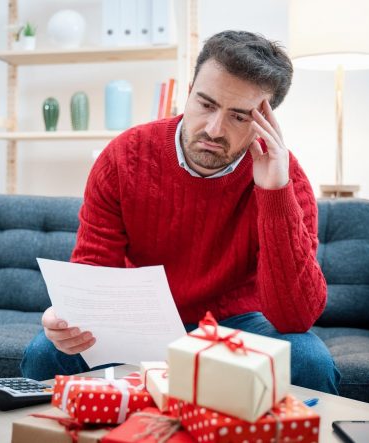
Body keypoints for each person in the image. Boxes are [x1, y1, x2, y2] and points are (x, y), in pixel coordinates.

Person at [21, 30, 340, 394]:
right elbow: (95, 268)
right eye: (206, 104)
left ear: (266, 122)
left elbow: (295, 317)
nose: (214, 129)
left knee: (310, 361)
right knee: (46, 353)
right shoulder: (125, 156)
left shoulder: (286, 178)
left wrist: (273, 193)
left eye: (239, 117)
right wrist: (66, 316)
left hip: (239, 327)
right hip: (137, 323)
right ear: (188, 92)